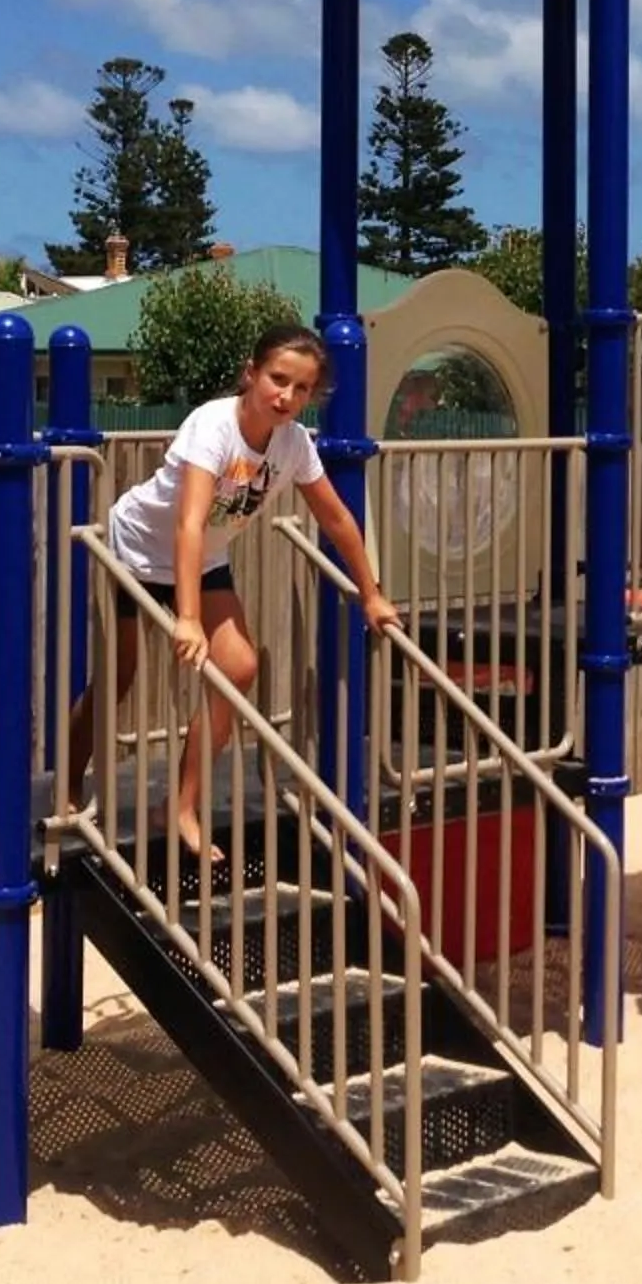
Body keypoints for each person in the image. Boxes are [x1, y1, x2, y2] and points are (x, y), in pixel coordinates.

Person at [84, 325, 400, 873]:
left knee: (238, 667)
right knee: (121, 676)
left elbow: (336, 517)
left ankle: (179, 806)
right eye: (278, 379)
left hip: (203, 559)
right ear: (251, 373)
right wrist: (187, 618)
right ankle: (69, 783)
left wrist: (371, 594)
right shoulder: (213, 425)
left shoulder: (293, 443)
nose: (286, 396)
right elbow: (188, 522)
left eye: (301, 389)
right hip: (136, 549)